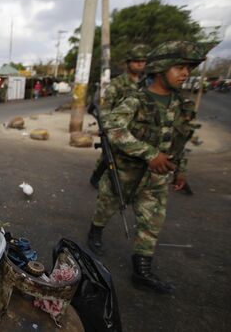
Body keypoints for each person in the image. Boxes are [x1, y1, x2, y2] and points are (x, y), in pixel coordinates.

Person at [87, 41, 205, 293]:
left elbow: (180, 141)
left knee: (152, 222)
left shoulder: (182, 106)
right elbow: (113, 126)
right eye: (180, 67)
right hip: (125, 171)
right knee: (106, 206)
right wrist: (149, 153)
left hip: (156, 179)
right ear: (161, 68)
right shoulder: (135, 98)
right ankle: (95, 232)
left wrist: (181, 168)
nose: (185, 73)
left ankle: (142, 270)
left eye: (189, 68)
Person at [89, 45, 150, 189]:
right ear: (128, 63)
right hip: (118, 127)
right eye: (136, 61)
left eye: (143, 61)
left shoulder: (146, 83)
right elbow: (105, 108)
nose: (140, 64)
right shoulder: (117, 84)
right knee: (110, 156)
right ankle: (97, 177)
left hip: (138, 127)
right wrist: (105, 128)